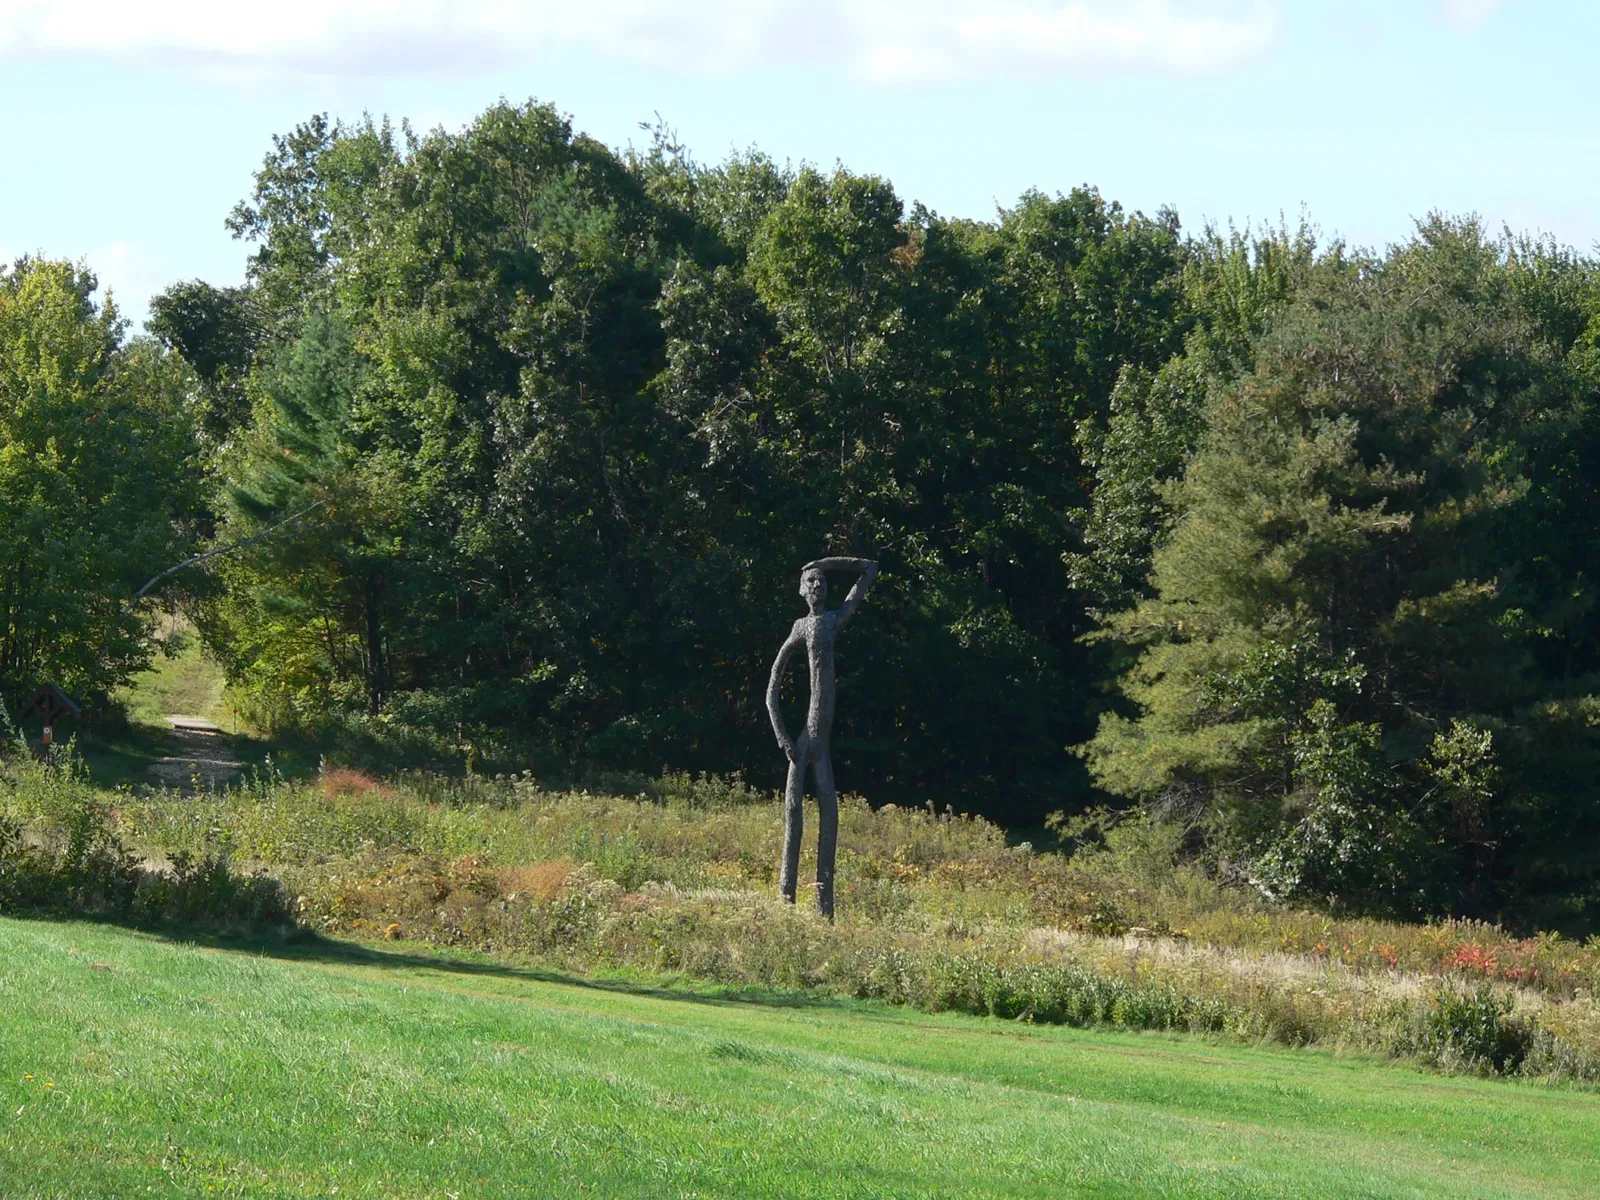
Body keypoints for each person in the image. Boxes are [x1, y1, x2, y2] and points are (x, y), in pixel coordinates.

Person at [766, 556, 879, 919]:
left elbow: (869, 570)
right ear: (802, 590)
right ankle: (786, 907)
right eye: (811, 582)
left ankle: (824, 912)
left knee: (830, 819)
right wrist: (783, 736)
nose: (818, 586)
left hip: (823, 746)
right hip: (802, 745)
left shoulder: (833, 621)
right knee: (794, 818)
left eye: (822, 582)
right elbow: (772, 687)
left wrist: (824, 562)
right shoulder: (801, 627)